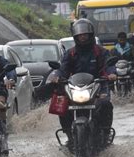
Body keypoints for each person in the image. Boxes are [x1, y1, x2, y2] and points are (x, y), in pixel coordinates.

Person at [50, 18, 117, 146]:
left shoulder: (101, 52)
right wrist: (56, 76)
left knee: (105, 103)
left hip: (98, 86)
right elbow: (62, 69)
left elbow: (109, 66)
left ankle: (105, 133)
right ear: (75, 36)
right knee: (61, 104)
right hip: (76, 88)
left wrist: (111, 74)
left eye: (85, 34)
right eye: (80, 35)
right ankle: (69, 134)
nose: (82, 37)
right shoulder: (70, 53)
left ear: (91, 35)